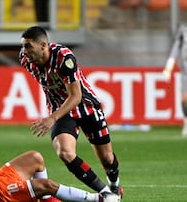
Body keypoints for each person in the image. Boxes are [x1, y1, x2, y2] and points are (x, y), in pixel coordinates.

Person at [19, 26, 122, 199]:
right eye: (23, 46)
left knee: (107, 159)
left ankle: (114, 184)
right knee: (65, 152)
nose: (24, 51)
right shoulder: (25, 59)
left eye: (28, 46)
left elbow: (76, 96)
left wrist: (52, 118)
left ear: (43, 45)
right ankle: (106, 194)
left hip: (86, 106)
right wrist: (55, 113)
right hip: (62, 111)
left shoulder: (64, 57)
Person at [164, 24, 187, 137]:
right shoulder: (183, 30)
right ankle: (186, 123)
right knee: (185, 98)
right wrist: (169, 66)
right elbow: (176, 48)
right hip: (185, 72)